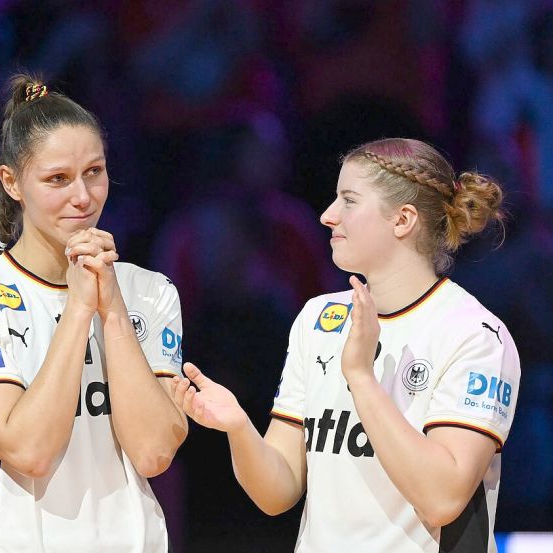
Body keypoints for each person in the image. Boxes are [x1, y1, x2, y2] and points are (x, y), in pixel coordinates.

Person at [173, 138, 520, 552]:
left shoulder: (475, 334)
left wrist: (360, 376)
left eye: (349, 200)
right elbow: (277, 492)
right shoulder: (318, 318)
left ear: (403, 219)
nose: (327, 215)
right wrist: (238, 427)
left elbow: (443, 498)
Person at [0, 75, 188, 553]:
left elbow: (154, 452)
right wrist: (81, 305)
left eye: (95, 172)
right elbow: (28, 450)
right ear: (12, 182)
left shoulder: (150, 291)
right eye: (57, 179)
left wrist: (113, 310)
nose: (83, 197)